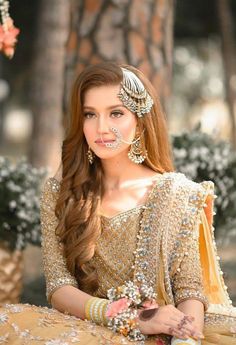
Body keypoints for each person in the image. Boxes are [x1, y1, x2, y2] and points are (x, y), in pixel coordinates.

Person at [0, 62, 235, 345]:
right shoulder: (61, 193)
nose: (101, 128)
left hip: (165, 331)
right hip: (91, 327)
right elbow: (58, 286)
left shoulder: (178, 193)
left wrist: (185, 338)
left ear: (140, 120)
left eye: (116, 113)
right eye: (90, 114)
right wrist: (127, 317)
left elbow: (189, 290)